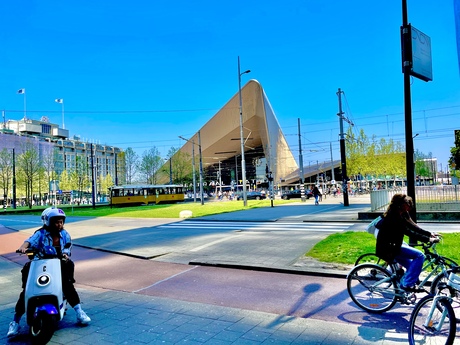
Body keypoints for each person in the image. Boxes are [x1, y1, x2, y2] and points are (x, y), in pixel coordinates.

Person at [7, 208, 90, 338]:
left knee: (67, 284)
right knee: (27, 290)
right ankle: (15, 322)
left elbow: (68, 246)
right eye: (56, 222)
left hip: (58, 264)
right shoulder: (40, 233)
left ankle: (79, 312)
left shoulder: (65, 234)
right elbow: (29, 241)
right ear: (47, 221)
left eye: (61, 222)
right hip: (39, 263)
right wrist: (23, 247)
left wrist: (65, 254)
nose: (59, 224)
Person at [375, 194, 439, 292]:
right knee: (420, 256)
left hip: (394, 246)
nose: (409, 205)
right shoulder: (393, 217)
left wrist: (429, 234)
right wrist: (428, 239)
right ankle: (406, 285)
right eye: (407, 203)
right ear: (400, 204)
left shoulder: (402, 214)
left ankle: (403, 289)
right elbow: (408, 232)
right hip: (389, 248)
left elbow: (413, 227)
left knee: (411, 267)